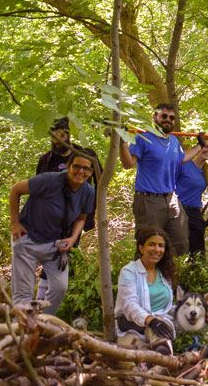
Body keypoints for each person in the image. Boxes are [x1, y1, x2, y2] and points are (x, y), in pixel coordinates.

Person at [10, 153, 96, 315]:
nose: (80, 171)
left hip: (56, 245)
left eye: (86, 168)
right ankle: (20, 333)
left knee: (60, 288)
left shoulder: (88, 192)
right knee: (23, 295)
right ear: (68, 167)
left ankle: (43, 324)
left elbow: (81, 217)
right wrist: (15, 224)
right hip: (28, 239)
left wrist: (72, 238)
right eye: (76, 166)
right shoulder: (48, 180)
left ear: (91, 172)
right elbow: (15, 190)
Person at [119, 103, 203, 256]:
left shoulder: (174, 141)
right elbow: (127, 163)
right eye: (164, 116)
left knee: (181, 244)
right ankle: (144, 279)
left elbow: (182, 158)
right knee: (148, 246)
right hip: (148, 201)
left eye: (171, 118)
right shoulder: (143, 138)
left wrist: (200, 146)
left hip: (171, 200)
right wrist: (122, 141)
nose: (168, 120)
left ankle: (172, 278)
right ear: (154, 117)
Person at [35, 117, 102, 299]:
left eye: (63, 135)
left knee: (65, 252)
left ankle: (54, 300)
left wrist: (91, 210)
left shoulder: (85, 156)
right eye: (54, 136)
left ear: (69, 135)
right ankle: (47, 300)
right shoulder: (46, 160)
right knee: (56, 256)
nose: (59, 140)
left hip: (76, 217)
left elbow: (101, 182)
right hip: (51, 219)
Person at [114, 228, 177, 355]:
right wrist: (150, 320)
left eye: (161, 246)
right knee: (135, 356)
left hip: (160, 325)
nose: (157, 249)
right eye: (152, 244)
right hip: (131, 327)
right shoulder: (129, 271)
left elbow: (168, 308)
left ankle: (161, 353)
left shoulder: (165, 274)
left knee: (162, 348)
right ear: (141, 248)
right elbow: (129, 305)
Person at [175, 135, 208, 256]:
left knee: (198, 252)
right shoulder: (184, 164)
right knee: (178, 248)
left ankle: (196, 273)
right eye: (205, 146)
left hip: (195, 213)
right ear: (198, 148)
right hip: (178, 210)